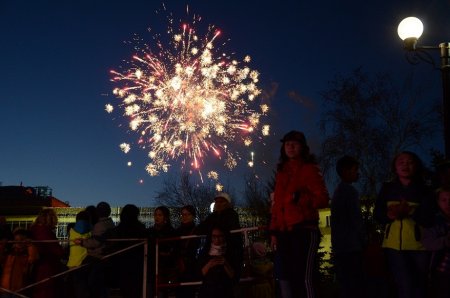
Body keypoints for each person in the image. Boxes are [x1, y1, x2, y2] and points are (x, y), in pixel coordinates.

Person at [269, 130, 329, 298]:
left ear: (303, 147)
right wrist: (274, 232)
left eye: (295, 144)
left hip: (304, 230)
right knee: (286, 278)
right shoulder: (282, 173)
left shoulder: (309, 170)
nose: (291, 147)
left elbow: (323, 199)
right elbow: (277, 206)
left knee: (305, 278)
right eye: (287, 144)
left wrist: (299, 198)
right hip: (285, 233)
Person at [374, 151, 433, 298]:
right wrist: (390, 214)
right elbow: (378, 215)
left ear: (416, 166)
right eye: (401, 162)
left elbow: (429, 218)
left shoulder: (424, 190)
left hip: (419, 246)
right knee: (403, 287)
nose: (405, 165)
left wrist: (410, 212)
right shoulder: (387, 188)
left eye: (410, 162)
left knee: (420, 286)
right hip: (394, 248)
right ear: (395, 167)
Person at [330, 156, 366, 298]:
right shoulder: (350, 192)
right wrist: (363, 240)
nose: (358, 173)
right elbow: (356, 220)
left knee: (346, 285)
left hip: (341, 248)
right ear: (346, 171)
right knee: (355, 285)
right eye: (355, 170)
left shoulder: (338, 193)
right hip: (351, 247)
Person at [196, 192, 244, 283]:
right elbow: (200, 229)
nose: (218, 204)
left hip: (229, 249)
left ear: (227, 203)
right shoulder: (213, 216)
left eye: (221, 202)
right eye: (217, 202)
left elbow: (229, 227)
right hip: (213, 249)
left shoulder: (232, 215)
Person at [75, 201, 115, 298]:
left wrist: (82, 242)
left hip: (96, 255)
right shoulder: (111, 223)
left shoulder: (99, 225)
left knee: (82, 277)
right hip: (105, 255)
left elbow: (96, 242)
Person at [108, 204, 147, 298]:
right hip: (138, 263)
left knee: (125, 290)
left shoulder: (118, 230)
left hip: (122, 264)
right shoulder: (141, 229)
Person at [29, 208, 65, 298]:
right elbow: (56, 250)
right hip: (47, 267)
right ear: (49, 219)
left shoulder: (34, 230)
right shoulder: (45, 231)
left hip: (37, 267)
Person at [197, 226, 241, 298]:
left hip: (225, 291)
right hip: (208, 292)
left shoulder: (231, 252)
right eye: (214, 236)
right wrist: (210, 264)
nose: (217, 239)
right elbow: (199, 274)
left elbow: (234, 276)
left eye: (220, 236)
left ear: (225, 236)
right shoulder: (205, 252)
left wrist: (225, 263)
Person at [422, 187, 450, 298]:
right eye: (444, 200)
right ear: (438, 202)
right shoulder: (435, 221)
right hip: (442, 272)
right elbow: (427, 242)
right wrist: (445, 241)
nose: (448, 203)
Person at [147, 206, 177, 298]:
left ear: (165, 217)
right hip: (151, 266)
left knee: (161, 291)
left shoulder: (171, 232)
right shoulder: (149, 231)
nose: (157, 217)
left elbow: (172, 249)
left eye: (160, 215)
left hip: (164, 268)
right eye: (155, 215)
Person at [0, 228, 38, 293]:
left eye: (22, 240)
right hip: (4, 288)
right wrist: (2, 245)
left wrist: (30, 245)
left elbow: (33, 258)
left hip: (19, 289)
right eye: (16, 240)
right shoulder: (9, 253)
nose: (19, 242)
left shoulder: (26, 254)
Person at [175, 205, 200, 298]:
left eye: (187, 214)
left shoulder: (196, 230)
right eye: (183, 214)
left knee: (188, 291)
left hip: (190, 266)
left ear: (193, 216)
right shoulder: (178, 230)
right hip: (180, 265)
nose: (184, 217)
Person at [66, 210, 92, 298]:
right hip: (84, 264)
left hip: (72, 264)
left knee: (74, 290)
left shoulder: (71, 231)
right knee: (84, 290)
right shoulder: (90, 231)